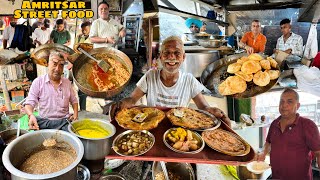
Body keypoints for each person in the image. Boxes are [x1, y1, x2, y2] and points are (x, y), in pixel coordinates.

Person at [120, 36, 231, 126]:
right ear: (160, 57)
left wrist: (214, 111)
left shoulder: (189, 80)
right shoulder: (150, 76)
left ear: (183, 57)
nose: (172, 57)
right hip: (152, 125)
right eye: (166, 53)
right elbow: (132, 99)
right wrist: (123, 104)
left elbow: (204, 107)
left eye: (177, 53)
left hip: (180, 128)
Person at [257, 88, 320, 180]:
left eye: (289, 102)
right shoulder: (274, 124)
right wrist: (263, 152)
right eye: (281, 101)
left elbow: (318, 152)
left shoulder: (308, 125)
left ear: (297, 106)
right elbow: (268, 142)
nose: (284, 105)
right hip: (276, 176)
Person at [24, 52, 78, 131]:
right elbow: (29, 103)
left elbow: (74, 100)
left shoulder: (67, 83)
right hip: (45, 122)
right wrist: (31, 115)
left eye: (61, 65)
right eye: (54, 64)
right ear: (48, 64)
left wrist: (76, 114)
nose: (57, 69)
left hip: (64, 121)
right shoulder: (38, 82)